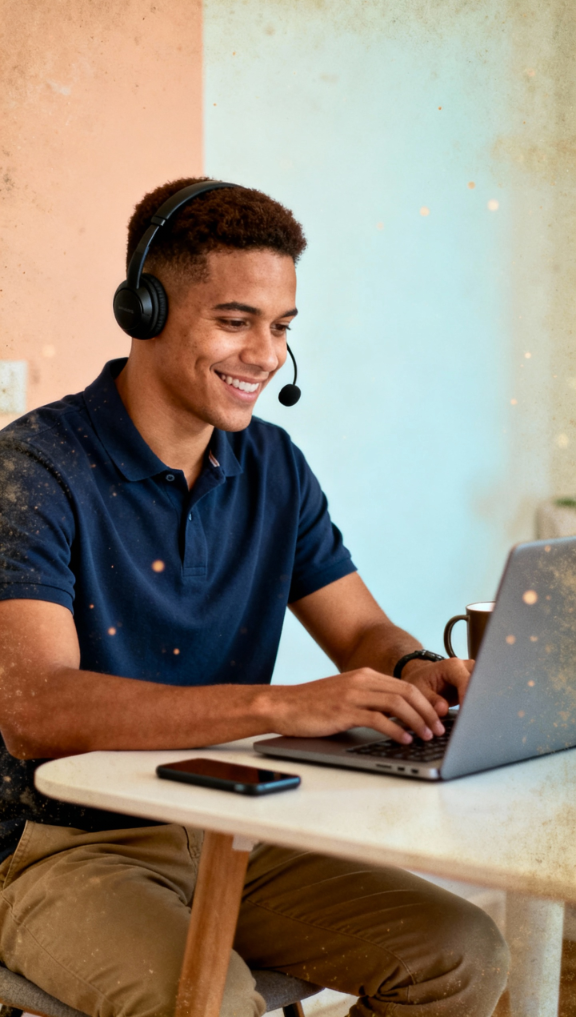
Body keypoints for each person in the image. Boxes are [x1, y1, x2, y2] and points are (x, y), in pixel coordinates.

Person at [0, 178, 508, 1017]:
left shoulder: (274, 466)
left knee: (461, 954)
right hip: (67, 847)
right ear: (145, 308)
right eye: (235, 321)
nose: (267, 356)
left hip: (232, 825)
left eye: (280, 328)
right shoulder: (34, 469)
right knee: (214, 1006)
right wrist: (283, 705)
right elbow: (35, 707)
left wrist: (415, 667)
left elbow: (363, 631)